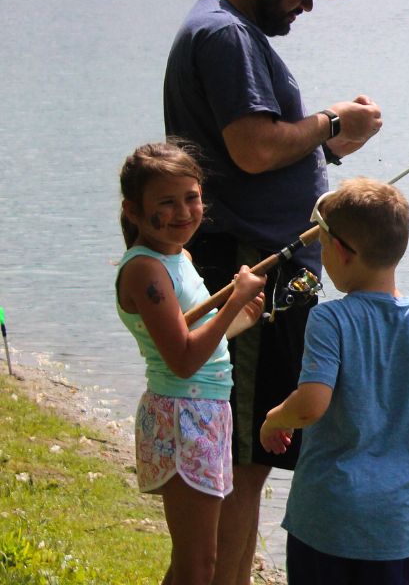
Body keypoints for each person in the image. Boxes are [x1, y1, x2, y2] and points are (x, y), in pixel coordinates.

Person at [163, 0, 383, 584]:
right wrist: (331, 121)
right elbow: (253, 149)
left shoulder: (225, 29)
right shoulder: (225, 34)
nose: (307, 6)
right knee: (242, 455)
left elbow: (256, 143)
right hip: (251, 267)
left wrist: (324, 142)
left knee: (252, 456)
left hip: (263, 266)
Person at [259, 178, 409, 584]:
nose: (321, 255)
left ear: (342, 253)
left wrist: (274, 419)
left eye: (323, 245)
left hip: (323, 521)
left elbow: (311, 404)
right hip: (391, 530)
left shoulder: (330, 320)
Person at [116, 142, 267, 585]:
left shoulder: (178, 257)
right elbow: (181, 361)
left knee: (195, 562)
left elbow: (193, 345)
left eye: (192, 197)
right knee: (199, 566)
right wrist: (231, 303)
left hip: (207, 411)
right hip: (181, 416)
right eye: (166, 202)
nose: (183, 211)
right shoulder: (145, 271)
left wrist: (238, 320)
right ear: (132, 210)